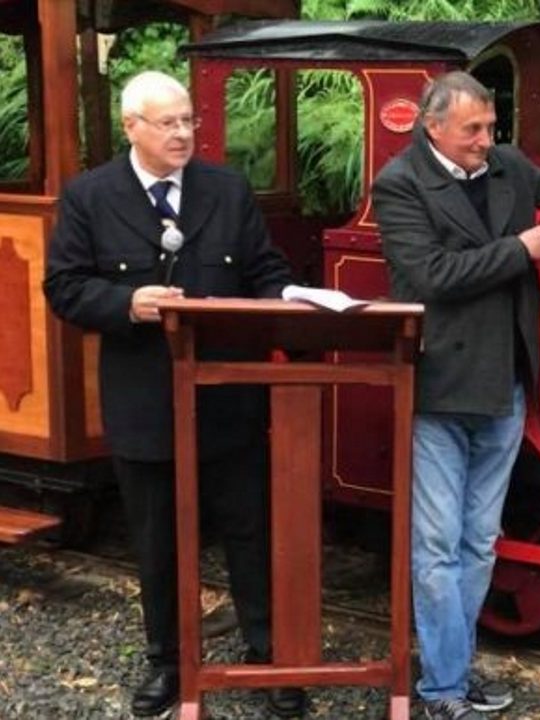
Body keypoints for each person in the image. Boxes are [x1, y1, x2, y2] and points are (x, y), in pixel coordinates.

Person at [43, 71, 305, 718]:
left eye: (189, 120)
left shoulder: (227, 189)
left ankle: (268, 660)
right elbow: (65, 287)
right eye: (168, 123)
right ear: (132, 126)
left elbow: (264, 271)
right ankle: (167, 661)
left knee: (249, 533)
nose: (184, 133)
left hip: (227, 400)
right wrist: (127, 302)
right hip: (145, 403)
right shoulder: (90, 197)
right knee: (157, 540)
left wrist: (291, 300)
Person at [372, 71, 540, 720]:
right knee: (436, 546)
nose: (487, 139)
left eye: (490, 126)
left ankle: (452, 669)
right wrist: (519, 249)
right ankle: (442, 688)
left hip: (504, 383)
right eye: (472, 129)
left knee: (479, 542)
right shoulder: (399, 184)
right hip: (439, 388)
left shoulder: (507, 165)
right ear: (433, 127)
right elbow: (428, 276)